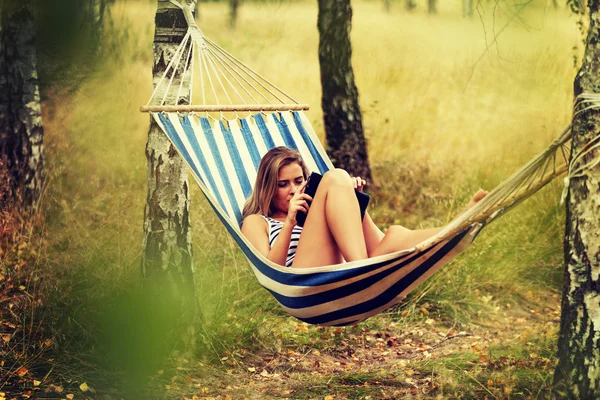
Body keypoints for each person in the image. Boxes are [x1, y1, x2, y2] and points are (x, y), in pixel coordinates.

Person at [241, 146, 487, 269]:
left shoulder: (312, 206)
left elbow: (349, 238)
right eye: (283, 184)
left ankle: (454, 230)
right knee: (336, 177)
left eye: (298, 181)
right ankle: (359, 269)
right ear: (268, 187)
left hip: (338, 267)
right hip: (301, 279)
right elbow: (268, 268)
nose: (294, 190)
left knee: (394, 236)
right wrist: (290, 223)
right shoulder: (256, 221)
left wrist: (351, 201)